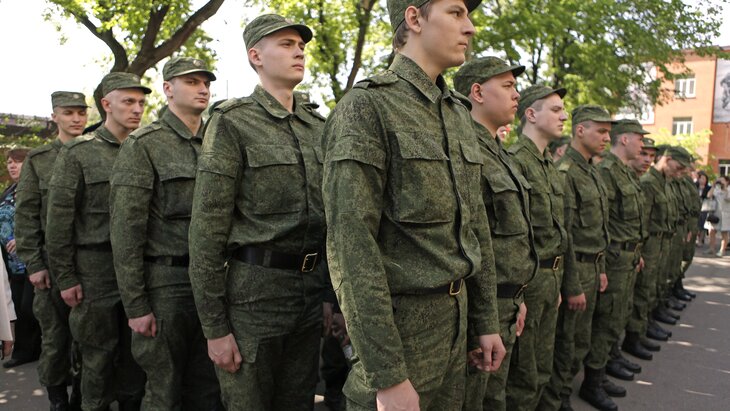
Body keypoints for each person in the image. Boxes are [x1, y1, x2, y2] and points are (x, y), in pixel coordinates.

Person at [322, 1, 505, 409]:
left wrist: (485, 321)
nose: (470, 27)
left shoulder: (457, 113)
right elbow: (351, 248)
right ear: (414, 18)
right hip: (401, 337)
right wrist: (387, 374)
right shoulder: (367, 107)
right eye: (456, 13)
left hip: (455, 329)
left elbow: (474, 228)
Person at [188, 14, 329, 410]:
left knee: (298, 404)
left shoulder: (318, 127)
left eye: (300, 45)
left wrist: (330, 299)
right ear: (256, 56)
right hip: (253, 301)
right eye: (286, 44)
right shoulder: (232, 122)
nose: (299, 52)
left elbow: (331, 225)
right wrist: (215, 328)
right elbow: (207, 230)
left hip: (307, 296)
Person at [110, 57, 222, 410]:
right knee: (164, 391)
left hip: (215, 285)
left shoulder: (220, 142)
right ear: (168, 89)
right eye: (192, 82)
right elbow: (126, 232)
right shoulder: (144, 144)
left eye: (206, 82)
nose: (202, 88)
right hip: (166, 288)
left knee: (209, 391)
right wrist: (136, 305)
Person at [46, 72, 150, 411]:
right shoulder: (79, 153)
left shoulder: (148, 148)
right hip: (95, 271)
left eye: (141, 102)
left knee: (138, 356)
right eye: (128, 101)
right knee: (97, 357)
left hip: (141, 270)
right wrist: (66, 277)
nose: (137, 109)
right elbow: (58, 222)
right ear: (106, 104)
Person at [453, 56, 537, 411]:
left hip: (506, 302)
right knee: (474, 400)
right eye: (507, 86)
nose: (516, 94)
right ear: (477, 92)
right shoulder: (466, 150)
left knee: (493, 397)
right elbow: (469, 241)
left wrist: (517, 296)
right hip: (481, 309)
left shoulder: (499, 153)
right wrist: (482, 319)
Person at [15, 91, 88, 409]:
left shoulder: (96, 153)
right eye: (68, 113)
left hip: (90, 261)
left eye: (81, 113)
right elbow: (26, 214)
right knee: (56, 339)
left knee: (91, 340)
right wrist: (34, 264)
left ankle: (84, 398)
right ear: (55, 116)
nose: (76, 119)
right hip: (50, 264)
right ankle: (58, 400)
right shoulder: (39, 159)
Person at [505, 84, 569, 411]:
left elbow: (557, 233)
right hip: (529, 284)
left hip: (548, 280)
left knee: (542, 366)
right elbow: (513, 238)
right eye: (556, 110)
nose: (564, 116)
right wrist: (518, 294)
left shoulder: (548, 166)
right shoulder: (516, 161)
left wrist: (556, 282)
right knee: (523, 375)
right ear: (530, 114)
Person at [551, 105, 612, 411]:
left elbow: (598, 230)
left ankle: (564, 392)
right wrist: (572, 285)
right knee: (567, 342)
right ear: (580, 130)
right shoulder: (566, 173)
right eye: (601, 131)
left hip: (592, 267)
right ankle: (558, 398)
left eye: (608, 132)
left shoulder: (591, 171)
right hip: (576, 270)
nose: (607, 138)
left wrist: (601, 269)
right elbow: (566, 236)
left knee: (581, 339)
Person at [588, 120, 648, 401]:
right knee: (606, 320)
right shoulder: (607, 171)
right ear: (624, 139)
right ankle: (593, 380)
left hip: (627, 257)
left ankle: (608, 362)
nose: (642, 145)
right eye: (639, 139)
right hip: (614, 259)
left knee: (617, 315)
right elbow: (602, 223)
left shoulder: (624, 172)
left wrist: (636, 252)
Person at [1, 147, 42, 369]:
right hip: (11, 262)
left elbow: (43, 219)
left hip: (32, 258)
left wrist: (22, 238)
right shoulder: (9, 191)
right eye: (9, 162)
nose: (12, 165)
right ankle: (25, 351)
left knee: (29, 307)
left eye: (17, 161)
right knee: (18, 307)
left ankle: (37, 348)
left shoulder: (37, 188)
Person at [713, 176, 730, 257]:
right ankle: (712, 248)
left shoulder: (729, 189)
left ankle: (722, 250)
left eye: (722, 180)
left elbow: (728, 198)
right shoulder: (717, 188)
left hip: (726, 214)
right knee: (712, 230)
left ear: (727, 181)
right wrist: (713, 185)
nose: (721, 182)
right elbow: (709, 195)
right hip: (717, 214)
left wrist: (725, 188)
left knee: (724, 233)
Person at [696, 172, 712, 245]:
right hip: (696, 207)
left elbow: (708, 196)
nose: (702, 180)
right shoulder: (695, 186)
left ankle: (700, 240)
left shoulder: (708, 188)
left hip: (705, 207)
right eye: (701, 178)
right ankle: (696, 239)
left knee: (702, 225)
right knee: (696, 224)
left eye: (704, 179)